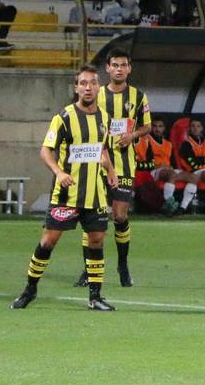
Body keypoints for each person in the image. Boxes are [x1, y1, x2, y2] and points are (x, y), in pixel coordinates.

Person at [11, 66, 121, 312]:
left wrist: (111, 170)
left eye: (92, 83)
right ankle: (30, 289)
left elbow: (103, 149)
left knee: (97, 240)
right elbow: (45, 150)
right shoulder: (64, 117)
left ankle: (95, 297)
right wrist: (59, 172)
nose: (88, 87)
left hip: (95, 194)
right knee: (48, 241)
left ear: (98, 87)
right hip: (67, 195)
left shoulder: (105, 118)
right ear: (76, 88)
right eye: (83, 83)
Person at [73, 50, 152, 288]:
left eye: (124, 65)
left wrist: (133, 134)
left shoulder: (138, 96)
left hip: (124, 165)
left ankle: (123, 264)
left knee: (119, 215)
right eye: (115, 65)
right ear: (107, 68)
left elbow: (147, 126)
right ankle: (89, 270)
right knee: (92, 217)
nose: (119, 69)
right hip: (97, 164)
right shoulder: (96, 95)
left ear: (129, 69)